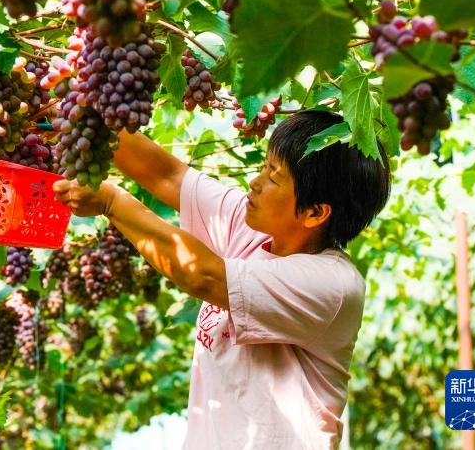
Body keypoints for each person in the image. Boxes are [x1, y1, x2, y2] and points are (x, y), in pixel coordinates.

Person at [53, 110, 391, 450]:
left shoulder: (331, 285)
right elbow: (167, 175)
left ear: (315, 212)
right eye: (264, 167)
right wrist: (79, 107)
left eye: (273, 178)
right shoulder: (251, 230)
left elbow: (201, 274)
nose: (255, 182)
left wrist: (112, 202)